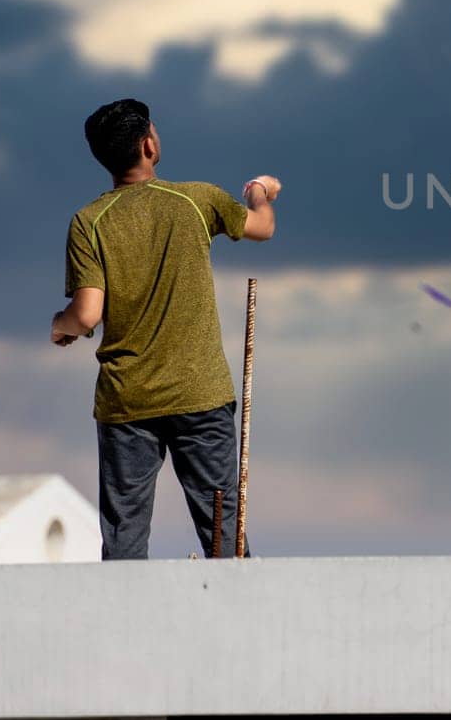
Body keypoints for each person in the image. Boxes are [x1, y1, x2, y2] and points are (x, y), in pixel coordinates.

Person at [49, 97, 281, 559]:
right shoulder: (196, 200)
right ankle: (239, 624)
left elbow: (87, 314)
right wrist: (259, 191)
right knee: (221, 528)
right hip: (201, 395)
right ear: (149, 144)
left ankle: (125, 627)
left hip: (126, 400)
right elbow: (262, 228)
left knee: (124, 533)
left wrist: (60, 327)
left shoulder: (88, 222)